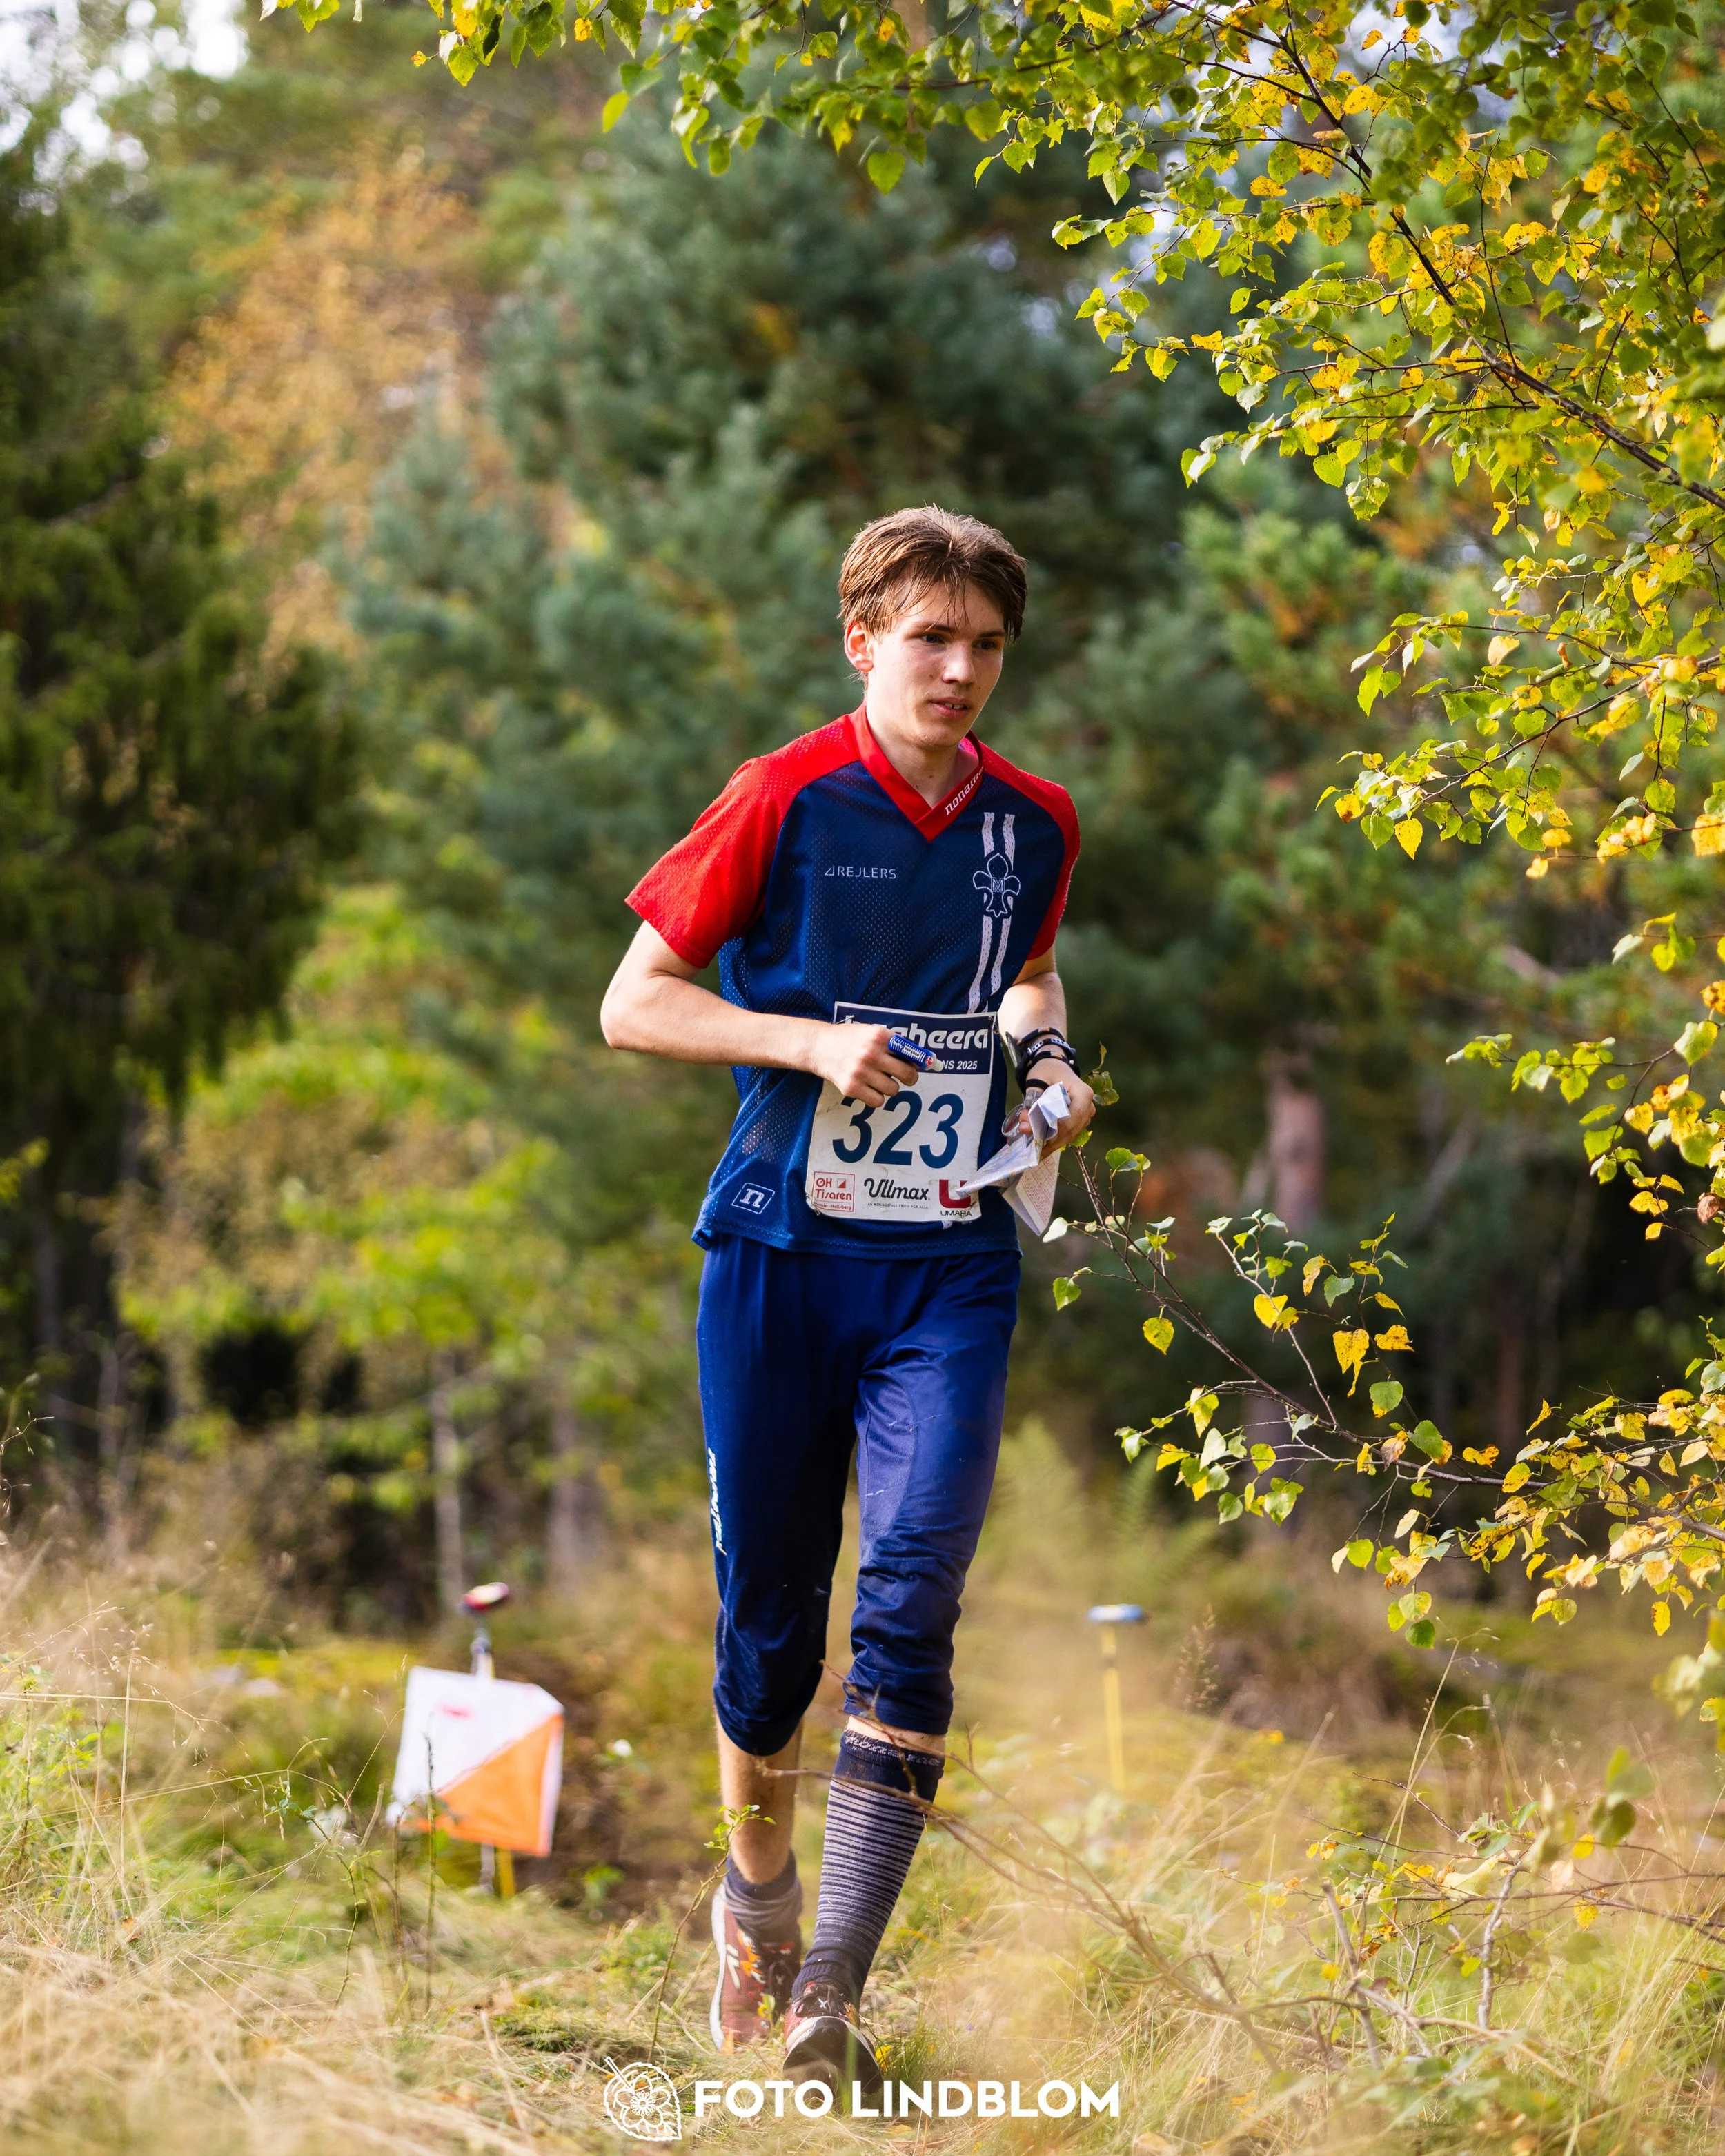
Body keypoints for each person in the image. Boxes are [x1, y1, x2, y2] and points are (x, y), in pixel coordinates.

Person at [600, 504, 1094, 2099]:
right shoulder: (783, 795)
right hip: (779, 1251)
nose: (959, 670)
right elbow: (635, 1004)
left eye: (984, 646)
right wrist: (805, 1044)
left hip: (947, 1256)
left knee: (912, 1598)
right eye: (929, 639)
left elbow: (1025, 971)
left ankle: (830, 1990)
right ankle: (751, 1895)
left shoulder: (1036, 821)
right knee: (766, 1634)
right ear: (862, 640)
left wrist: (1047, 1058)